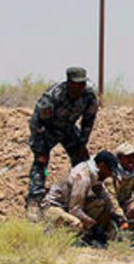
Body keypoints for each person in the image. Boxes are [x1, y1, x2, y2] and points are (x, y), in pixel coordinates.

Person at [26, 67, 99, 220]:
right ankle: (35, 199)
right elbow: (36, 122)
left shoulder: (89, 97)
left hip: (68, 128)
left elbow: (88, 122)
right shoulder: (54, 96)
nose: (80, 88)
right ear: (69, 83)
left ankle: (80, 194)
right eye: (76, 84)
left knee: (82, 161)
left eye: (82, 84)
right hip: (47, 129)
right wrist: (40, 148)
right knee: (41, 163)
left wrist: (81, 144)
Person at [42, 151, 126, 246]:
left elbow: (102, 193)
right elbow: (75, 209)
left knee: (101, 205)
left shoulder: (96, 172)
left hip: (69, 205)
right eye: (109, 171)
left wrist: (114, 213)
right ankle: (66, 242)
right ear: (102, 166)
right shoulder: (82, 177)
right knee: (76, 224)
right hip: (53, 207)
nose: (110, 175)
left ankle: (89, 236)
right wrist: (93, 225)